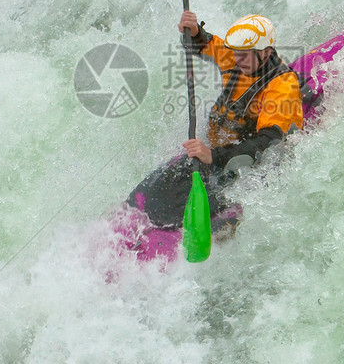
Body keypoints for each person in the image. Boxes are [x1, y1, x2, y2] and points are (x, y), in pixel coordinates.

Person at [126, 12, 304, 231]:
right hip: (217, 155)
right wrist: (194, 32)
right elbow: (207, 44)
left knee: (176, 211)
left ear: (267, 52)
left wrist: (213, 157)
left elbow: (268, 145)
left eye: (245, 55)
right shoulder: (239, 58)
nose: (238, 60)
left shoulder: (282, 85)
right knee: (155, 190)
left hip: (249, 164)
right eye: (237, 54)